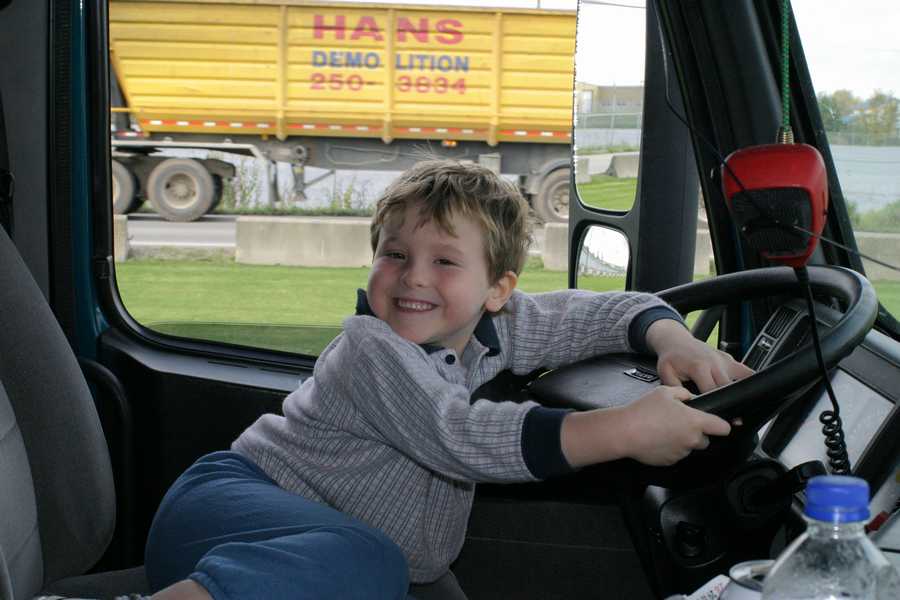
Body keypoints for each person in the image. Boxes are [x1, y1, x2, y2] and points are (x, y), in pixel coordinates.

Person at [144, 159, 753, 600]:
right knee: (371, 561)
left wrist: (673, 340)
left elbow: (600, 313)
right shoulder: (370, 349)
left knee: (381, 564)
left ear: (497, 289)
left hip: (335, 544)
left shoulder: (497, 327)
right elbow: (460, 436)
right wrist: (624, 429)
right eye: (395, 254)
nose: (413, 276)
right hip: (229, 514)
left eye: (444, 261)